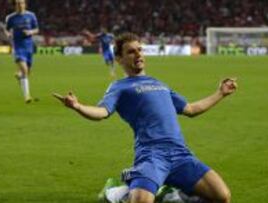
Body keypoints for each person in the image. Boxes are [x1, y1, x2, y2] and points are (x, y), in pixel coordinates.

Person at [53, 32, 237, 203]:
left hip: (181, 154)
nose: (138, 54)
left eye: (140, 50)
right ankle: (118, 192)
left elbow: (191, 109)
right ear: (119, 59)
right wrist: (78, 106)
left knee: (222, 197)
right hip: (152, 155)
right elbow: (102, 112)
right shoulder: (120, 87)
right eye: (131, 52)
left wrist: (220, 93)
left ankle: (171, 193)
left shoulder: (160, 84)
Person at [5, 0, 39, 103]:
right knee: (24, 70)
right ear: (15, 5)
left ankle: (19, 76)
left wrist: (30, 32)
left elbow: (37, 29)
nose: (20, 5)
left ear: (25, 4)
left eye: (22, 3)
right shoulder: (11, 17)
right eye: (18, 3)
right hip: (18, 48)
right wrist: (8, 34)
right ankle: (27, 96)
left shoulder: (31, 15)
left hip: (29, 47)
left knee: (26, 72)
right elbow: (6, 29)